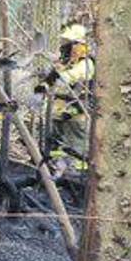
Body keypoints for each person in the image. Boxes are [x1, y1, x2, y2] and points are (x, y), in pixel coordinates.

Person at [34, 23, 95, 178]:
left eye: (70, 43)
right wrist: (42, 86)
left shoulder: (86, 64)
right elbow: (53, 78)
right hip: (61, 111)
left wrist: (55, 76)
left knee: (76, 145)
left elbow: (66, 79)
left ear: (80, 45)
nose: (66, 46)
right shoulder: (67, 62)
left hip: (78, 113)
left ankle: (76, 175)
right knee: (56, 141)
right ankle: (54, 168)